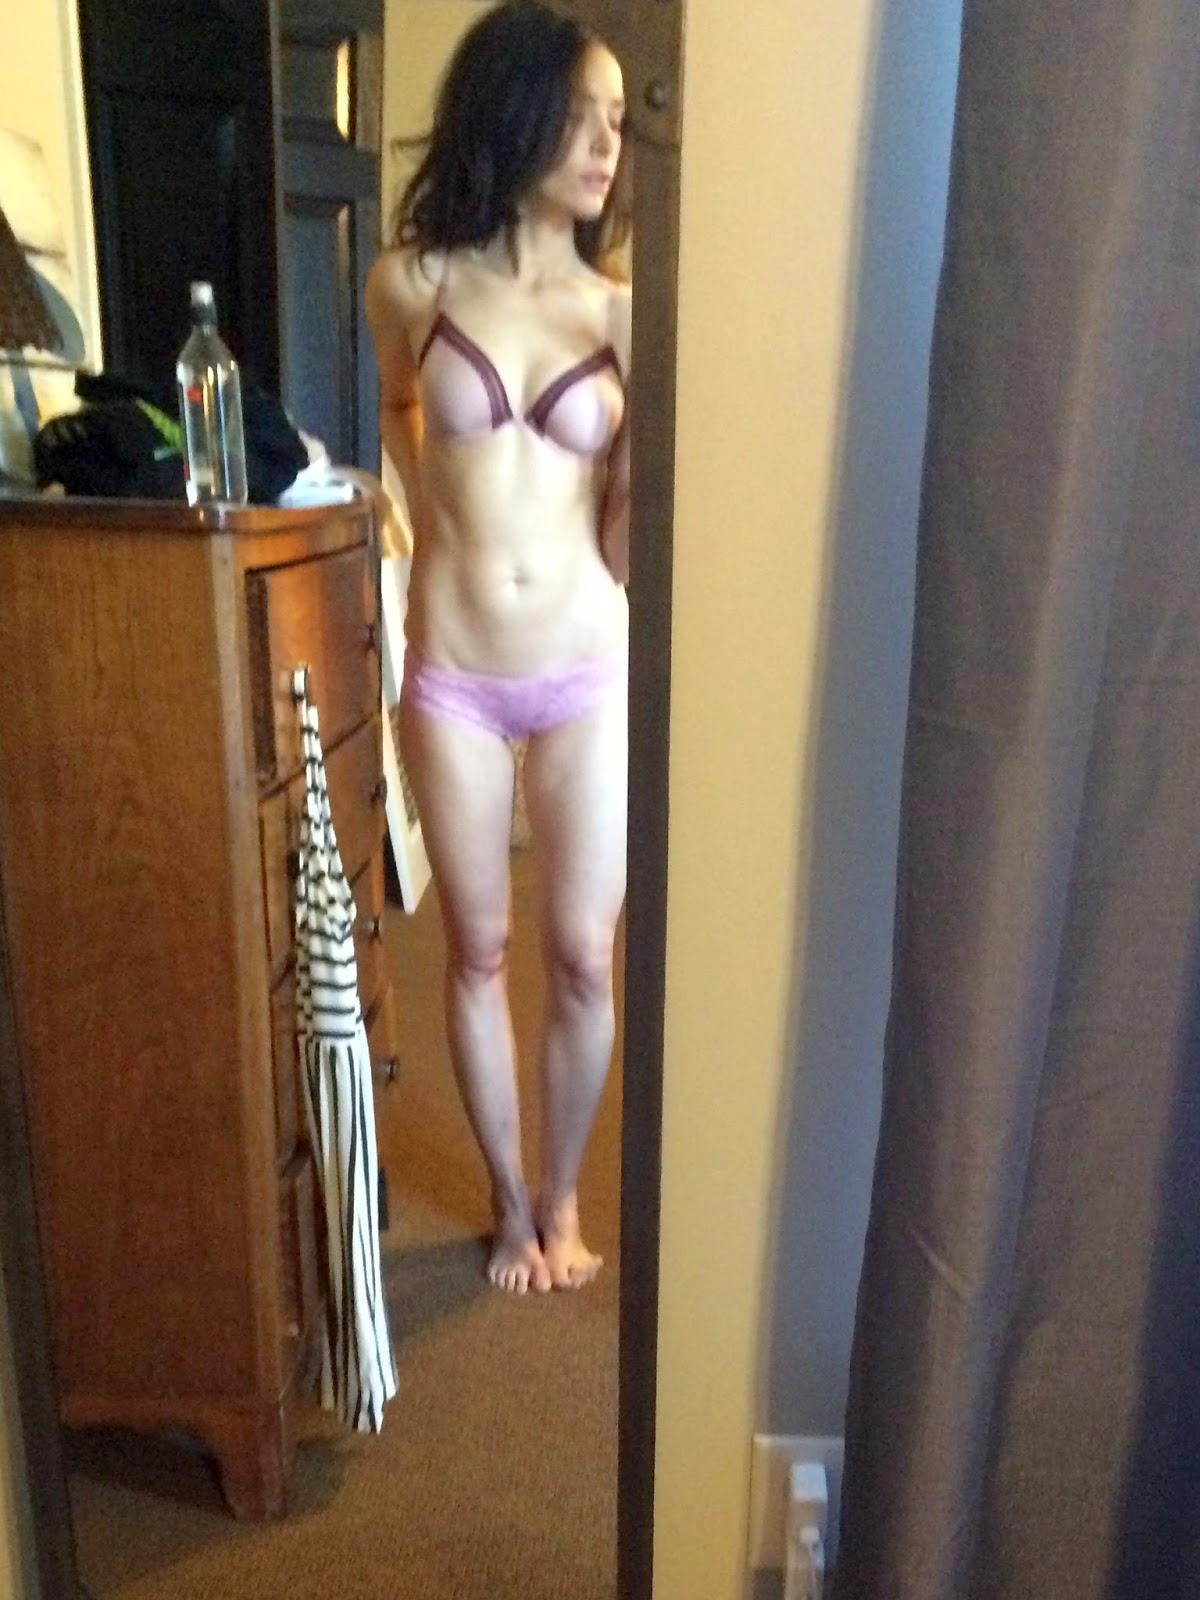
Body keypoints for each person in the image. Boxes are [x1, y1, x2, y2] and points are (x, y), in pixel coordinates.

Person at [365, 0, 631, 1294]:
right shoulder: (411, 283)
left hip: (586, 668)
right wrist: (428, 524)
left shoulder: (623, 313)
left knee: (581, 954)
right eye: (580, 118)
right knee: (476, 948)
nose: (605, 147)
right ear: (515, 115)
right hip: (457, 674)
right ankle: (509, 1204)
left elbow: (626, 513)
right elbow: (399, 401)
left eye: (617, 122)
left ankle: (563, 1196)